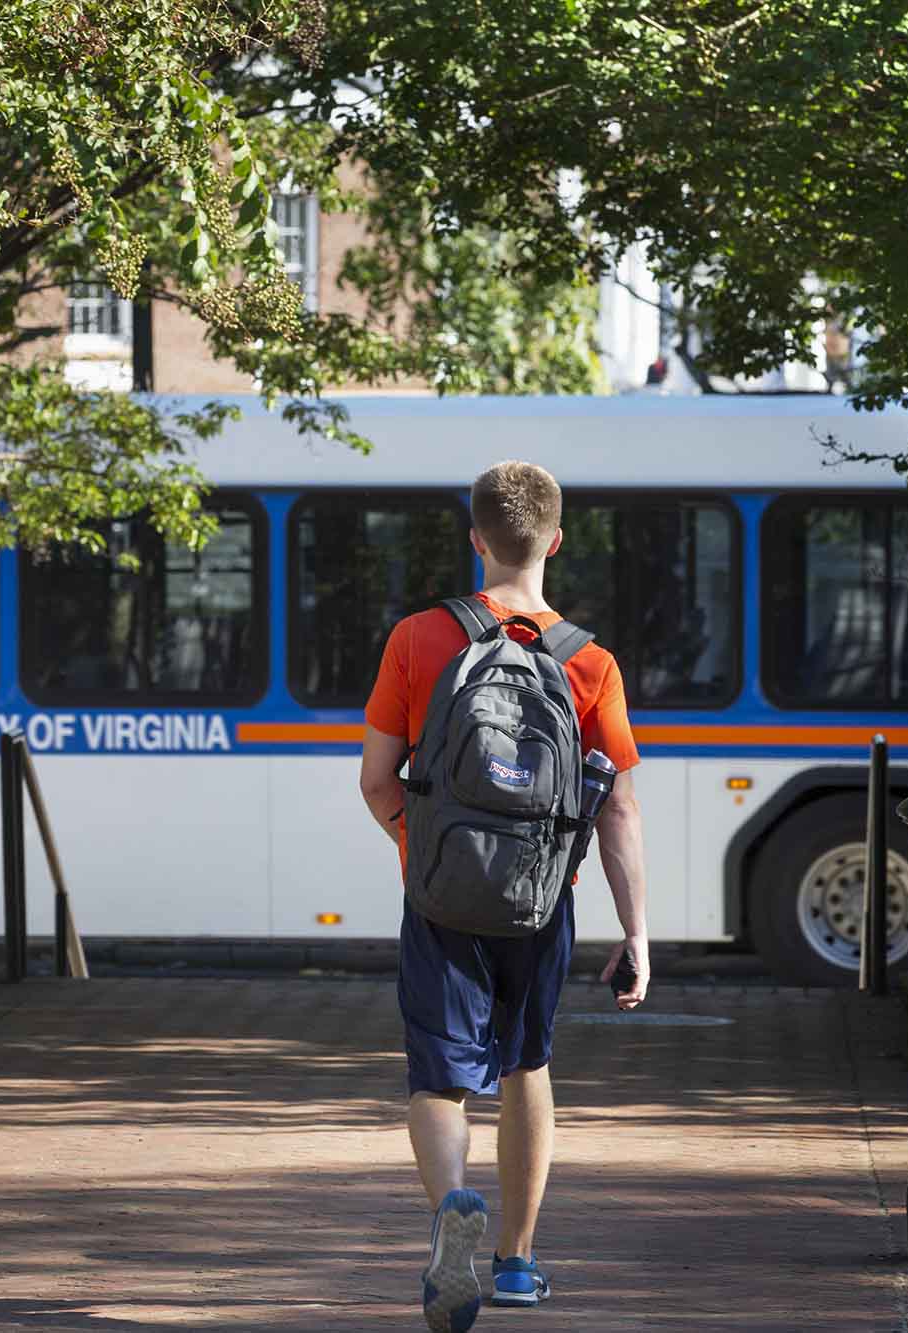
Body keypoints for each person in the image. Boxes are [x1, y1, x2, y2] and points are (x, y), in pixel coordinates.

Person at [358, 460, 650, 1332]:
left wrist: (427, 853)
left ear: (476, 538)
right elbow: (618, 808)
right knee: (527, 1062)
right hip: (540, 895)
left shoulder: (417, 638)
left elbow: (377, 782)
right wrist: (638, 933)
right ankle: (516, 1265)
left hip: (441, 894)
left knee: (438, 1076)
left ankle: (453, 1203)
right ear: (555, 542)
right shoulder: (589, 661)